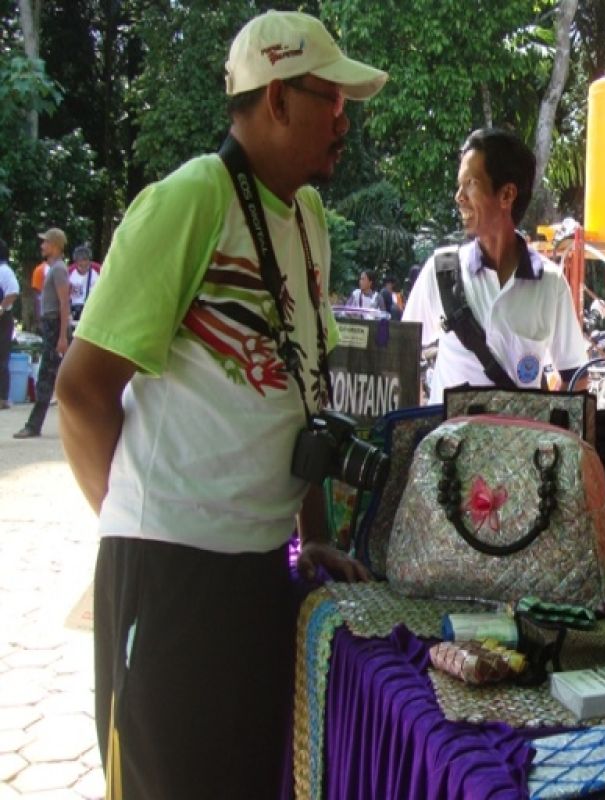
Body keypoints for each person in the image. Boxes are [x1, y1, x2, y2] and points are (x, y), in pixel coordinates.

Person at [54, 11, 385, 797]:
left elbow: (299, 388)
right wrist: (147, 528)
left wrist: (316, 533)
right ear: (275, 100)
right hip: (171, 577)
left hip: (260, 573)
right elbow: (79, 392)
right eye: (329, 100)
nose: (345, 121)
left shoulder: (306, 219)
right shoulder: (191, 198)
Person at [403, 128, 588, 402]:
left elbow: (576, 379)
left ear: (507, 195)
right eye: (459, 184)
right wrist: (418, 426)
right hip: (449, 442)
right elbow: (402, 356)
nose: (459, 196)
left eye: (471, 183)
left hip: (518, 444)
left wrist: (549, 433)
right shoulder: (441, 272)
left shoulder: (550, 284)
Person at [13, 228, 70, 439]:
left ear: (54, 245)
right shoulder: (53, 269)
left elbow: (64, 303)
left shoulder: (58, 270)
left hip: (55, 326)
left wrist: (62, 336)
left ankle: (33, 425)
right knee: (52, 376)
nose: (42, 245)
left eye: (45, 242)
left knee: (46, 376)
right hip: (52, 326)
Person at [0, 238, 18, 410]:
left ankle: (3, 397)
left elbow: (12, 292)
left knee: (2, 357)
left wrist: (1, 308)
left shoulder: (4, 271)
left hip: (3, 319)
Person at [68, 243, 101, 326]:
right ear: (76, 262)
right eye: (80, 262)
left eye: (85, 260)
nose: (83, 264)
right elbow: (65, 294)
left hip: (93, 308)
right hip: (74, 309)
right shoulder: (69, 272)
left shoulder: (98, 270)